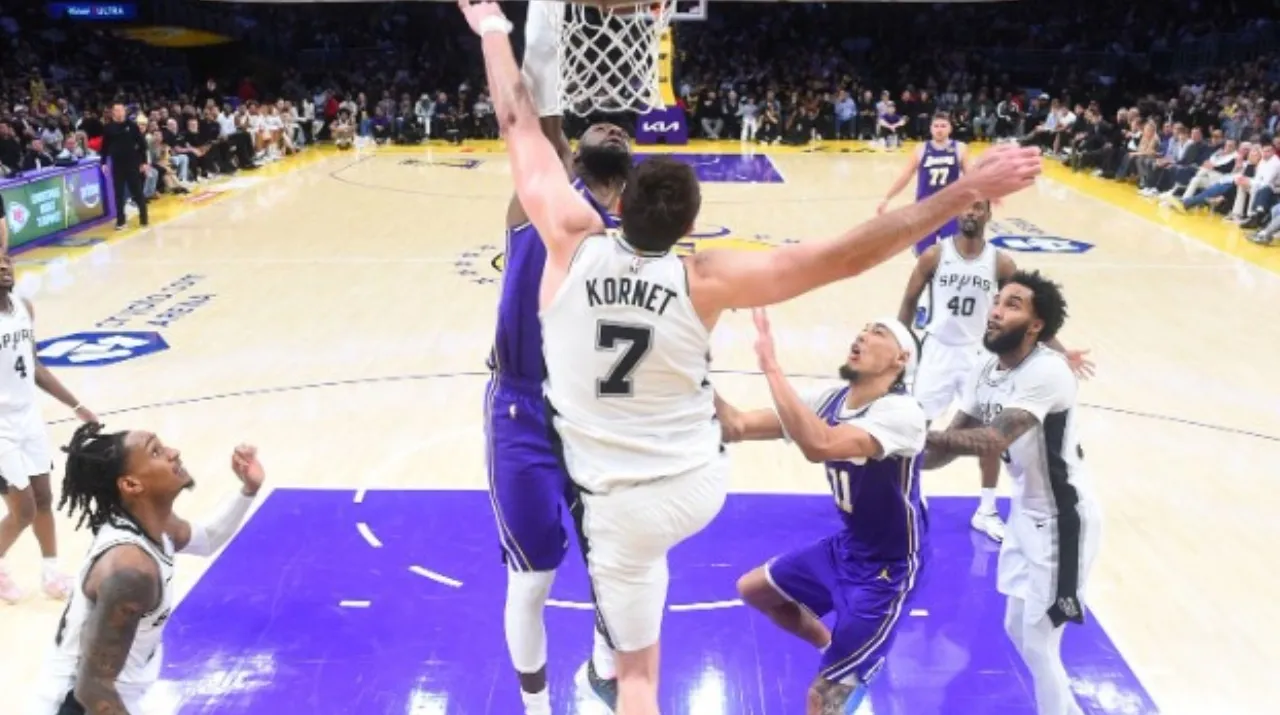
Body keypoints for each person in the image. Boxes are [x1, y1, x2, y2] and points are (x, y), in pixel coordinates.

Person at [459, 3, 1040, 713]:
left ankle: (605, 664)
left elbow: (519, 122)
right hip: (694, 486)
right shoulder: (705, 277)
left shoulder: (571, 243)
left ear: (611, 203)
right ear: (690, 227)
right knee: (633, 602)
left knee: (635, 674)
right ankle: (607, 652)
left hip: (619, 499)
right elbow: (846, 256)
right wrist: (966, 191)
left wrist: (493, 28)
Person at [484, 4, 632, 713]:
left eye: (621, 130)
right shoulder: (541, 204)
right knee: (533, 578)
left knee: (618, 565)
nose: (608, 125)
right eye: (595, 127)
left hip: (592, 414)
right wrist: (531, 22)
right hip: (521, 408)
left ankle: (602, 671)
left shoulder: (631, 249)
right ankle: (537, 706)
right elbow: (532, 110)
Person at [720, 312, 927, 714]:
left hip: (888, 570)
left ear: (900, 359)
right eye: (862, 327)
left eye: (877, 332)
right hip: (847, 547)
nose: (863, 334)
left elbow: (820, 444)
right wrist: (692, 371)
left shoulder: (903, 414)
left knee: (820, 700)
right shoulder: (832, 400)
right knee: (754, 590)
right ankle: (842, 654)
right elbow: (739, 425)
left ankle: (852, 667)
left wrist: (772, 366)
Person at [921, 270, 1101, 715]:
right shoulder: (985, 370)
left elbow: (992, 439)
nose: (996, 311)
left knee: (1040, 642)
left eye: (1012, 305)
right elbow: (947, 445)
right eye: (997, 301)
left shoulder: (1048, 371)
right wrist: (890, 454)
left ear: (1036, 325)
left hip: (1063, 520)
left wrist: (911, 438)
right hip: (1025, 512)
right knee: (1018, 629)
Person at [26, 422, 265, 715]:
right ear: (131, 484)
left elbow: (207, 539)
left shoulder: (153, 526)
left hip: (117, 697)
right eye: (157, 452)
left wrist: (248, 490)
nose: (173, 453)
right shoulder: (131, 569)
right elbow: (92, 690)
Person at [896, 200, 1093, 543]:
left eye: (977, 208)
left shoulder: (1001, 262)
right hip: (939, 350)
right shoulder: (934, 256)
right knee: (918, 423)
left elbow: (1029, 308)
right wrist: (899, 344)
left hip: (980, 352)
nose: (969, 213)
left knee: (989, 431)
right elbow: (910, 300)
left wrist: (1061, 350)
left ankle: (986, 509)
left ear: (988, 215)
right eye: (963, 207)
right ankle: (908, 494)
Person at [0, 255, 98, 604]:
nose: (3, 267)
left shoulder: (24, 307)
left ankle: (52, 573)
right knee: (23, 509)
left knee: (44, 498)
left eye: (5, 260)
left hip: (29, 418)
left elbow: (35, 366)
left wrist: (76, 405)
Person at [878, 112, 969, 327]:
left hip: (950, 211)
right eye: (935, 125)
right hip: (925, 212)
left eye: (943, 125)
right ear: (930, 128)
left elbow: (971, 176)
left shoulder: (960, 148)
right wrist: (887, 198)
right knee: (924, 263)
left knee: (951, 260)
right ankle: (923, 307)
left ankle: (947, 306)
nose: (939, 129)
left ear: (950, 128)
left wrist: (982, 198)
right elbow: (905, 176)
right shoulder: (920, 150)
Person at [100, 104, 150, 231]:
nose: (120, 112)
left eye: (122, 110)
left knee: (137, 192)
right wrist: (103, 162)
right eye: (117, 110)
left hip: (132, 164)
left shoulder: (132, 126)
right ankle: (121, 221)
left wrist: (144, 162)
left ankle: (144, 218)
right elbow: (104, 147)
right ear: (113, 113)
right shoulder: (108, 128)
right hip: (117, 165)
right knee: (119, 194)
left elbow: (142, 145)